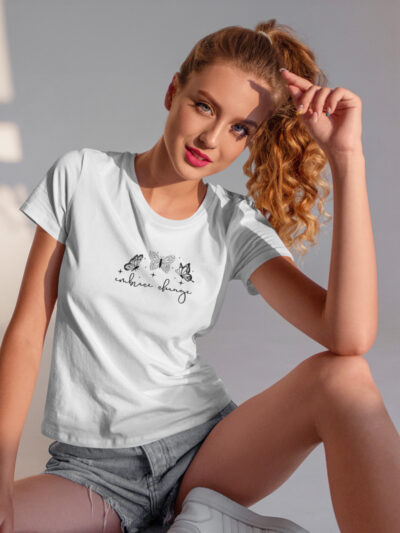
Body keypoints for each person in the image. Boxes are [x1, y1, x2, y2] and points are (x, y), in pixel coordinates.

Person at [1, 18, 399, 533]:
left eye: (240, 129)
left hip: (205, 454)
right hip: (94, 474)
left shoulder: (232, 222)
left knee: (344, 379)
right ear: (174, 91)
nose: (212, 139)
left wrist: (347, 159)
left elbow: (347, 336)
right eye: (205, 106)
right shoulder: (83, 178)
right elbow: (27, 333)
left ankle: (202, 514)